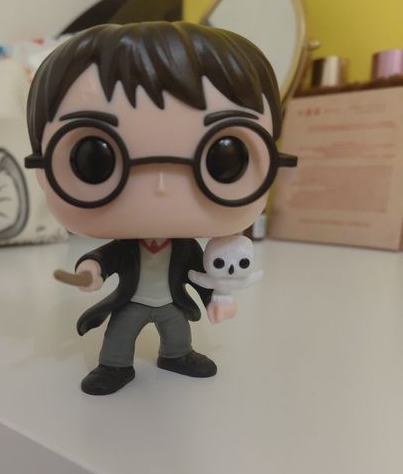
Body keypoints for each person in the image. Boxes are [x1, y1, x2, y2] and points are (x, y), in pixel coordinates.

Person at [25, 22, 296, 395]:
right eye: (93, 160)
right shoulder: (126, 247)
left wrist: (218, 295)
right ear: (42, 169)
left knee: (178, 333)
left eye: (224, 159)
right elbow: (105, 259)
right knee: (119, 335)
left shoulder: (184, 248)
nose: (161, 187)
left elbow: (204, 270)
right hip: (132, 302)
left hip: (171, 302)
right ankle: (114, 366)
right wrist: (90, 273)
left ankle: (176, 355)